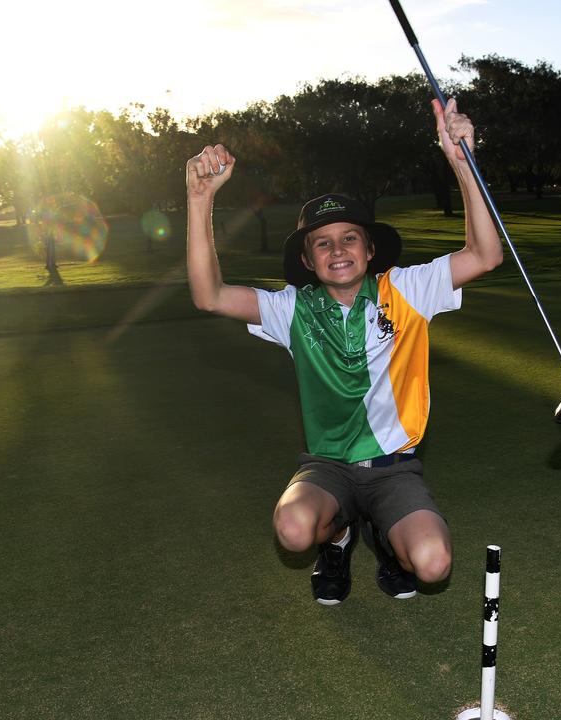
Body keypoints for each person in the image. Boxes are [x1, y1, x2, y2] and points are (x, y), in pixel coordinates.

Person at [184, 98, 503, 605]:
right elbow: (209, 296)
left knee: (433, 564)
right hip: (327, 468)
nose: (338, 250)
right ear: (308, 260)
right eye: (323, 243)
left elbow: (485, 254)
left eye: (349, 238)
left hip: (394, 467)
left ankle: (383, 532)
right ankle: (338, 538)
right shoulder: (292, 309)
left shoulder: (408, 290)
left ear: (370, 250)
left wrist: (463, 165)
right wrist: (200, 199)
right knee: (292, 530)